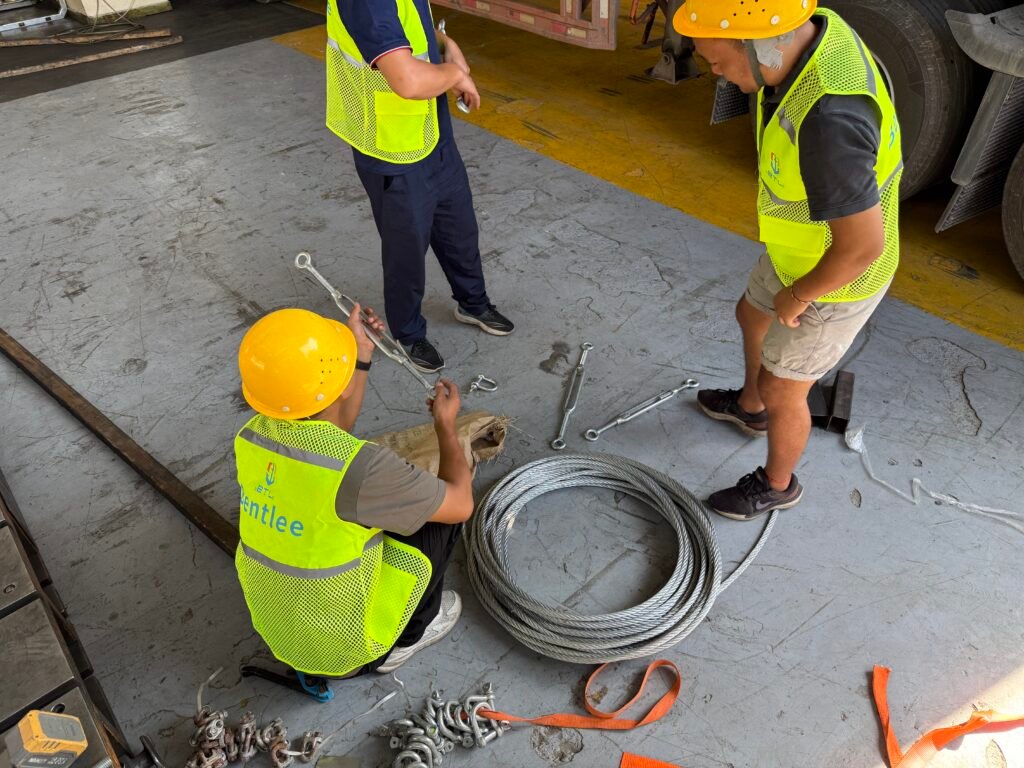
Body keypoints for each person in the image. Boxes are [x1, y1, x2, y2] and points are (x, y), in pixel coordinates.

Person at [674, 0, 902, 520]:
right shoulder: (811, 28)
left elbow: (862, 247)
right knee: (750, 313)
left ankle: (777, 484)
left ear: (759, 45)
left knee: (785, 387)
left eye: (717, 63)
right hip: (800, 247)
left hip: (837, 277)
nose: (719, 75)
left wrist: (800, 295)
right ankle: (749, 411)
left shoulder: (830, 123)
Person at [234, 306, 474, 692]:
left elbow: (332, 428)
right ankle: (404, 641)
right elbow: (461, 502)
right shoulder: (362, 470)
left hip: (277, 630)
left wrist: (360, 356)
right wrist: (446, 426)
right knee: (442, 519)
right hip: (345, 651)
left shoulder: (251, 436)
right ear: (341, 387)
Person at [323, 0, 514, 374]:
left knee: (459, 228)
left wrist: (445, 43)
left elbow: (412, 25)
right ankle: (408, 333)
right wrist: (455, 74)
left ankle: (472, 302)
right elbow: (408, 81)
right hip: (392, 146)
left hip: (430, 132)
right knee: (406, 251)